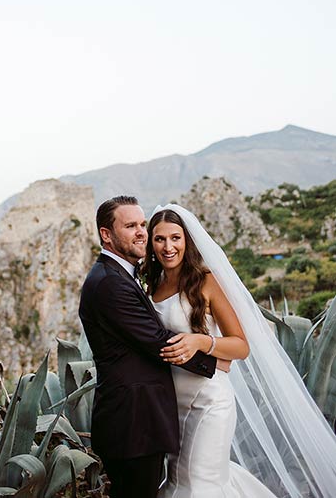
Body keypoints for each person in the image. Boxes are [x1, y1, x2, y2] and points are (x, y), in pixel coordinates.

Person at [144, 203, 336, 498]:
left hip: (208, 402)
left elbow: (241, 345)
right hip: (171, 405)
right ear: (151, 243)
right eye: (160, 239)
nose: (168, 247)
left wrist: (201, 342)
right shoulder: (152, 285)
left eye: (175, 238)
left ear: (187, 241)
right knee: (178, 482)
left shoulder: (206, 281)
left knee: (199, 485)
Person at [79, 195, 218, 498]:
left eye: (142, 224)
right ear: (107, 235)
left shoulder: (122, 276)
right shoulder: (109, 283)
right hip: (133, 423)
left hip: (141, 421)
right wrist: (214, 360)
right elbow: (156, 341)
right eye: (130, 226)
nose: (141, 231)